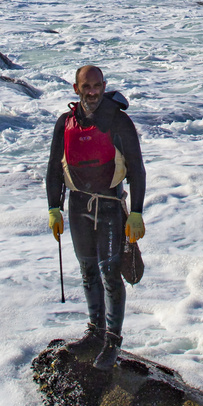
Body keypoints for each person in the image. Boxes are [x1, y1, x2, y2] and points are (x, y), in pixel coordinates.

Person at [46, 65, 146, 370]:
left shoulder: (119, 122)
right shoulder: (65, 123)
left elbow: (138, 170)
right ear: (76, 89)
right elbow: (53, 168)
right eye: (86, 86)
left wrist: (137, 213)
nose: (92, 91)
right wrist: (54, 208)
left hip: (110, 207)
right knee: (88, 270)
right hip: (77, 206)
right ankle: (94, 332)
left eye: (97, 85)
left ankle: (113, 340)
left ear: (104, 86)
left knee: (109, 273)